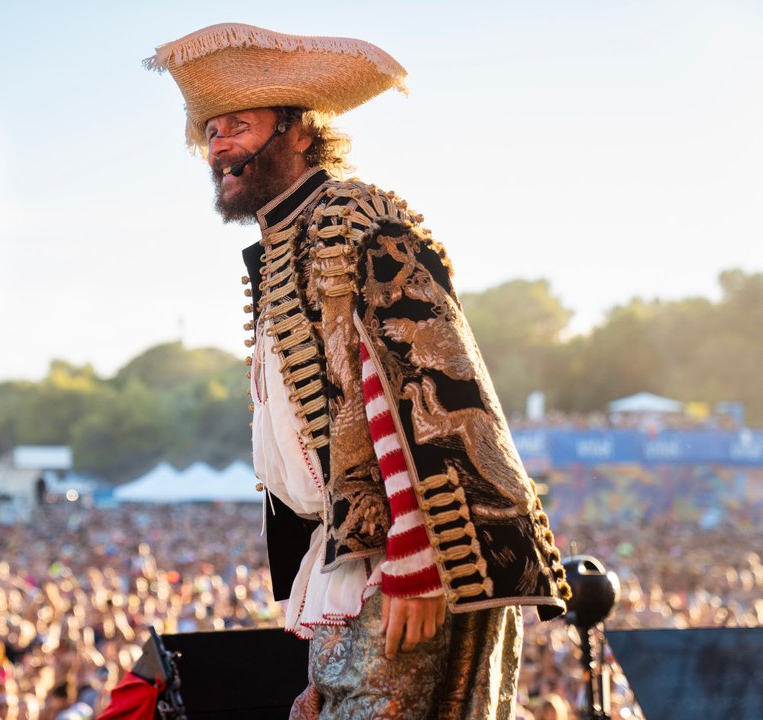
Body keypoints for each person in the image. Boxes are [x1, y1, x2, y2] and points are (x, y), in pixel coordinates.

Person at [147, 23, 572, 718]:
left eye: (238, 126)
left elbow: (422, 387)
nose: (218, 143)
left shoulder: (353, 221)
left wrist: (417, 555)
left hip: (411, 548)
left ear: (298, 132)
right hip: (360, 549)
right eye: (211, 130)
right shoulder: (289, 237)